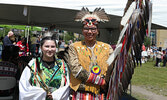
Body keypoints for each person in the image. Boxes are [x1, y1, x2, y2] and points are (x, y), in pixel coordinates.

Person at [66, 7, 113, 99]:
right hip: (80, 93)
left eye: (93, 29)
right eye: (86, 28)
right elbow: (76, 70)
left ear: (98, 31)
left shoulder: (107, 48)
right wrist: (100, 81)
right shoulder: (74, 47)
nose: (90, 32)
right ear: (82, 30)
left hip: (100, 94)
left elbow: (112, 68)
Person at [19, 32, 70, 100]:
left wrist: (55, 95)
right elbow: (24, 86)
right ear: (41, 48)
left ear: (56, 48)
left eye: (52, 46)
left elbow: (67, 86)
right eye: (47, 46)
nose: (50, 49)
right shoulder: (33, 64)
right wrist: (41, 93)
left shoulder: (62, 65)